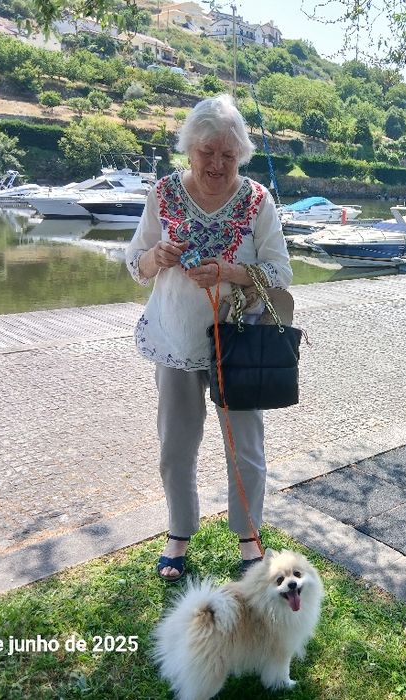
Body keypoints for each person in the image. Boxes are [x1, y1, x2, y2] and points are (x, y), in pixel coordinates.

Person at [125, 95, 292, 582]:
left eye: (228, 154)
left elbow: (281, 271)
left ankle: (249, 535)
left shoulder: (257, 200)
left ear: (241, 155)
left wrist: (230, 271)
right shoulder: (163, 193)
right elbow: (135, 264)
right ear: (189, 149)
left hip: (237, 344)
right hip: (175, 341)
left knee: (246, 448)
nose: (217, 163)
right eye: (207, 152)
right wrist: (157, 256)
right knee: (176, 445)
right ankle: (179, 532)